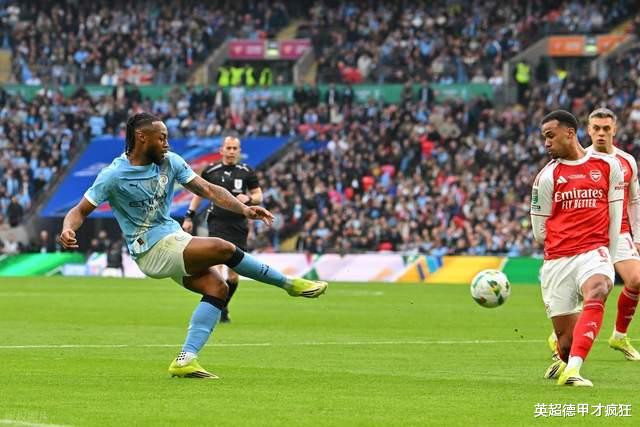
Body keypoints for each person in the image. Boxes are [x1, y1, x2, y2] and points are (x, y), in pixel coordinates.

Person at [58, 113, 327, 379]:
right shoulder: (114, 175)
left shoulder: (170, 162)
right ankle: (289, 285)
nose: (166, 143)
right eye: (162, 138)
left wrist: (244, 209)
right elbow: (79, 211)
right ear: (141, 137)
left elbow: (209, 190)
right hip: (149, 249)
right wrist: (68, 228)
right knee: (223, 248)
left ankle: (186, 359)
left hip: (173, 239)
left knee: (217, 288)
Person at [531, 110, 624, 387]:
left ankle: (573, 371)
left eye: (550, 136)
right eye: (544, 137)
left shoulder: (608, 166)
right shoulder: (546, 177)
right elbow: (539, 232)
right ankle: (566, 359)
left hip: (594, 252)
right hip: (558, 260)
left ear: (569, 133)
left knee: (598, 288)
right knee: (566, 344)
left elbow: (615, 216)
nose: (546, 143)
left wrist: (609, 259)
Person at [547, 107, 640, 361]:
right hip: (589, 235)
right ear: (588, 130)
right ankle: (561, 342)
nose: (601, 133)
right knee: (588, 292)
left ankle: (619, 336)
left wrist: (637, 238)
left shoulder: (627, 161)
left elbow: (635, 200)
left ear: (614, 130)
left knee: (636, 280)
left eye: (606, 128)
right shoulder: (579, 160)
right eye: (596, 128)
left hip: (620, 232)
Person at [182, 135, 261, 323]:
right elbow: (198, 194)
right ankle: (215, 307)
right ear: (222, 150)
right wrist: (189, 216)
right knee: (216, 269)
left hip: (238, 225)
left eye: (235, 148)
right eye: (229, 148)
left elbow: (258, 195)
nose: (232, 151)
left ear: (239, 151)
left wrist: (249, 199)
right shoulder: (211, 171)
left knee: (233, 275)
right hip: (217, 222)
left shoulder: (247, 172)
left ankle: (223, 306)